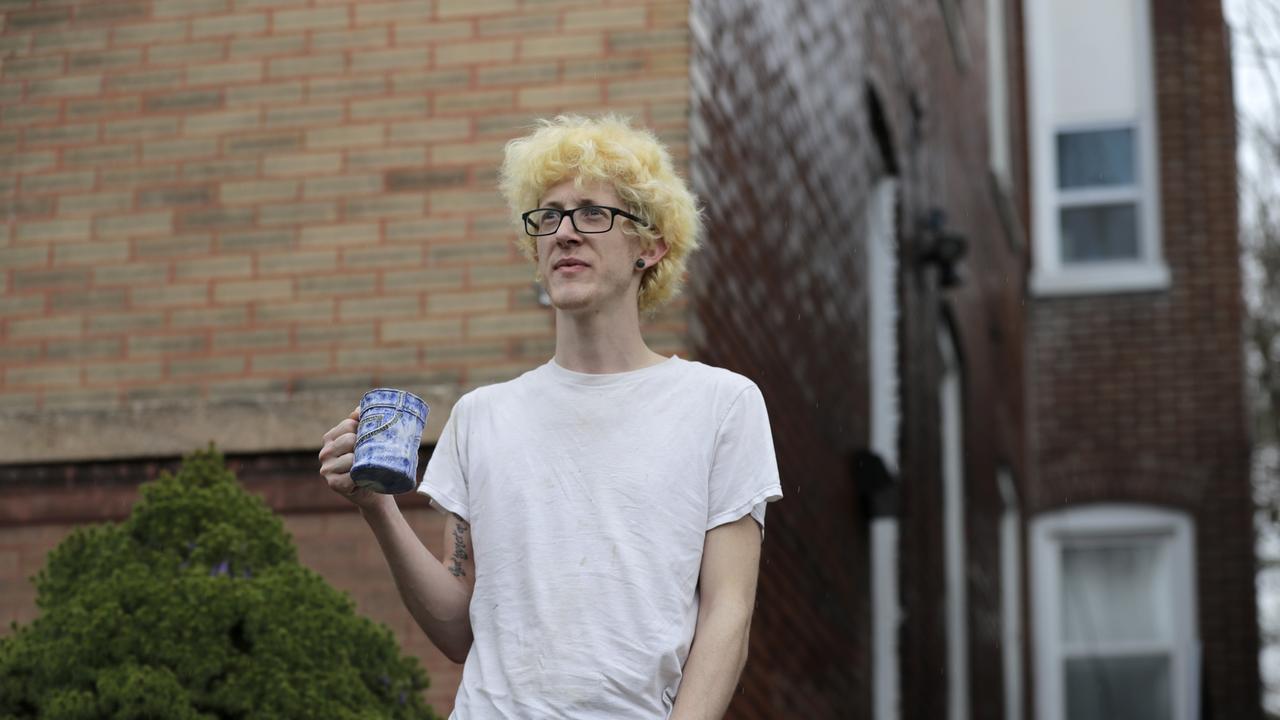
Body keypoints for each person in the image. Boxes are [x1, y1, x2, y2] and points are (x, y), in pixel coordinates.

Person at [318, 115, 782, 719]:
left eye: (593, 213)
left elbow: (729, 613)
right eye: (549, 216)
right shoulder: (481, 416)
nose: (565, 232)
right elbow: (459, 629)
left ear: (652, 246)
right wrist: (376, 508)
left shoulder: (721, 403)